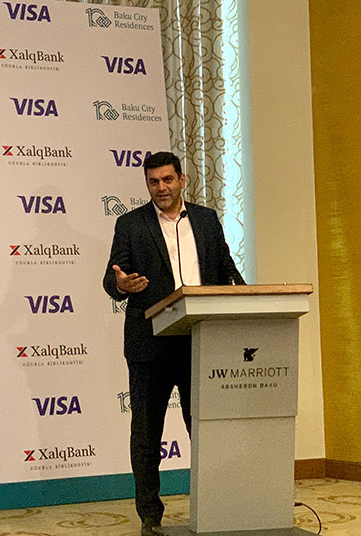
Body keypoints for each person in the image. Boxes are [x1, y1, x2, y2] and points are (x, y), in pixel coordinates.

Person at [102, 151, 244, 536]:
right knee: (147, 436)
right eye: (154, 182)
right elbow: (112, 278)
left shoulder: (206, 219)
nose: (161, 188)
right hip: (150, 345)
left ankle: (217, 507)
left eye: (167, 180)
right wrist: (122, 284)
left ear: (182, 180)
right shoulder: (131, 224)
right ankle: (150, 517)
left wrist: (246, 299)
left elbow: (227, 270)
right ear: (147, 184)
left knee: (207, 431)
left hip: (201, 341)